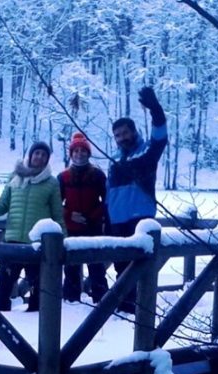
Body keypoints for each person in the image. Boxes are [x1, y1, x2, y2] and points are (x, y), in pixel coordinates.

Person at [106, 86, 168, 314]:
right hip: (117, 220)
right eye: (117, 135)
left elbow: (160, 137)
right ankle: (123, 307)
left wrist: (155, 109)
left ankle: (139, 309)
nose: (122, 138)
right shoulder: (113, 159)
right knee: (120, 266)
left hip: (140, 219)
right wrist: (106, 218)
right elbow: (109, 192)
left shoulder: (146, 153)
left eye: (125, 133)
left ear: (133, 132)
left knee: (140, 266)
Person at [0, 141, 64, 312]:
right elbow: (2, 206)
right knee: (4, 285)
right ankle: (2, 319)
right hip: (11, 241)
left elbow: (58, 215)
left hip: (36, 244)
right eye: (37, 153)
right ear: (30, 155)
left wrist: (61, 242)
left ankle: (35, 322)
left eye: (44, 155)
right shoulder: (14, 177)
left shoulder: (51, 183)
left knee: (38, 286)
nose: (40, 157)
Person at [58, 132, 108, 303]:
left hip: (93, 227)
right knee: (71, 267)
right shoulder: (63, 177)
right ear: (71, 154)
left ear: (88, 153)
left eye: (83, 151)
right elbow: (56, 203)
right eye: (76, 151)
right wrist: (69, 215)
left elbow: (107, 200)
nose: (79, 154)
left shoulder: (98, 175)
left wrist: (92, 216)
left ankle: (101, 300)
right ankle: (71, 300)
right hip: (71, 228)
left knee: (96, 266)